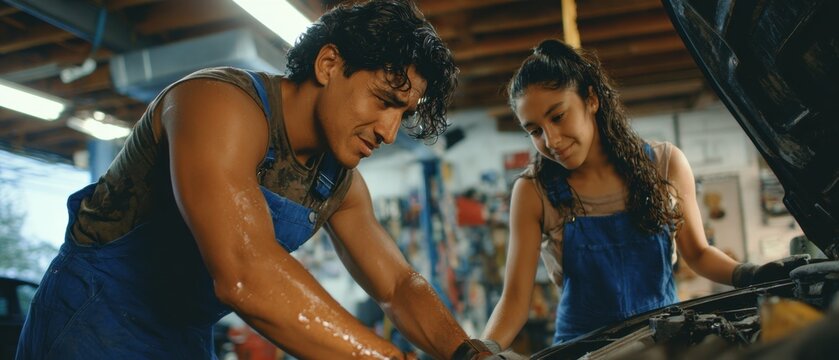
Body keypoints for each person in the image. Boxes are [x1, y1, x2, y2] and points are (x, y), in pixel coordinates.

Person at [15, 1, 507, 359]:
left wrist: (467, 352)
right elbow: (245, 272)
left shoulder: (339, 184)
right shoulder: (218, 105)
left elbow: (398, 286)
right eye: (383, 101)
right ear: (329, 64)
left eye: (403, 113)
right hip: (89, 323)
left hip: (183, 336)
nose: (390, 131)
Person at [481, 39, 810, 347]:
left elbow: (697, 253)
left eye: (558, 116)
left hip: (665, 340)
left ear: (591, 99)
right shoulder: (533, 191)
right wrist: (482, 351)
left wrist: (751, 274)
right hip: (584, 349)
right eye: (535, 131)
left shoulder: (664, 164)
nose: (550, 140)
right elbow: (515, 300)